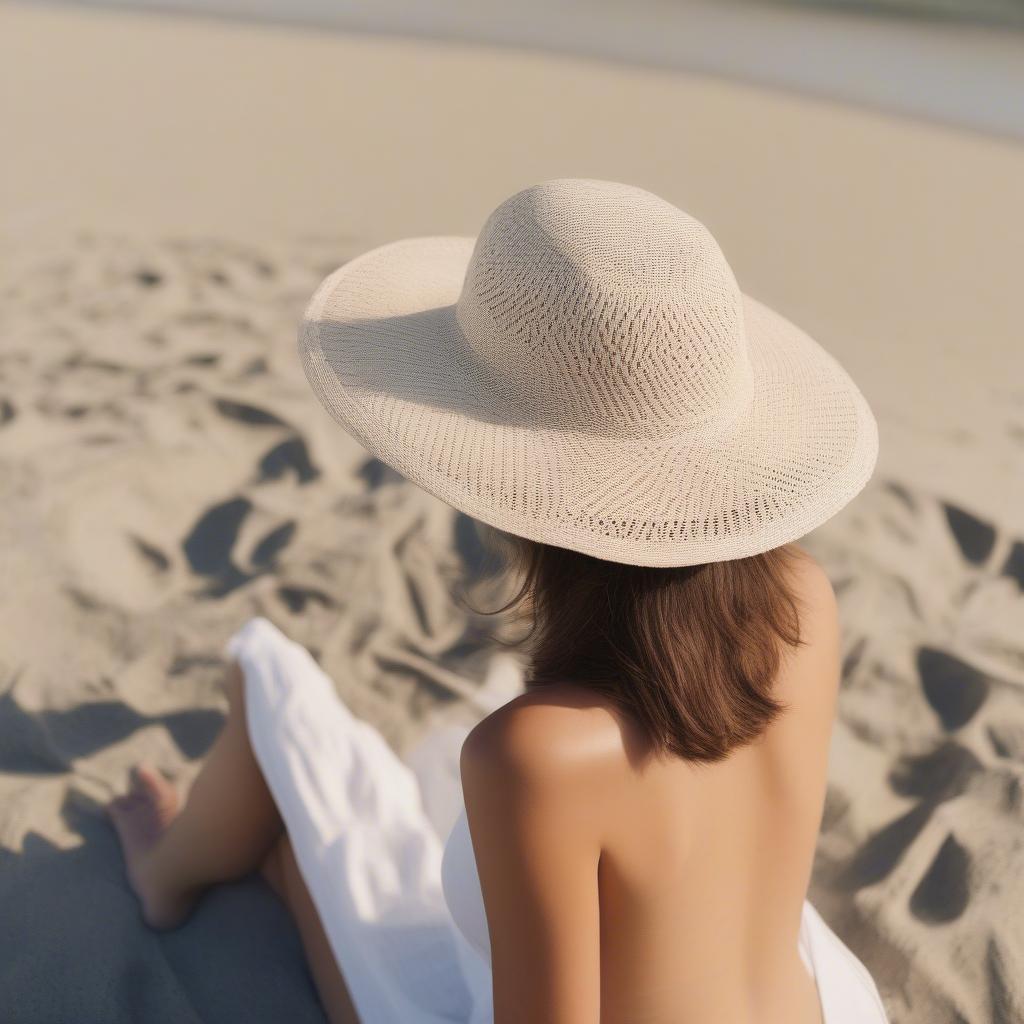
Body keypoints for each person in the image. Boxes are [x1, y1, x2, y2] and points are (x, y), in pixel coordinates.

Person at [108, 179, 890, 1024]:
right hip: (815, 1004)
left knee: (265, 695)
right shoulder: (802, 600)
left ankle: (166, 875)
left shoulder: (538, 755)